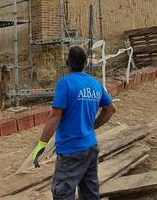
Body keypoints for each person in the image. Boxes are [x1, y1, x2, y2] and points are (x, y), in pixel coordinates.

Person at [32, 46, 116, 200]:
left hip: (71, 151)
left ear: (67, 63)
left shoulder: (65, 83)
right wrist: (93, 126)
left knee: (63, 194)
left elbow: (55, 117)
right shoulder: (95, 84)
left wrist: (41, 145)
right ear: (85, 63)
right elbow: (110, 109)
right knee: (90, 194)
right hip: (91, 148)